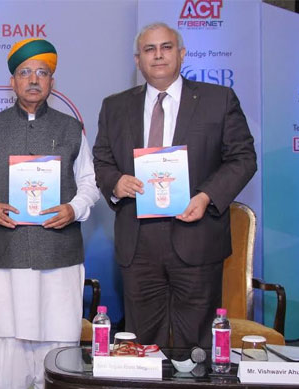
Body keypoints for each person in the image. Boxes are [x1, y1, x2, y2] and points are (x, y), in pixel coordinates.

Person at [93, 22, 257, 349]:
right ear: (138, 60)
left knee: (196, 350)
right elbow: (102, 159)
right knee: (141, 347)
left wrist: (207, 196)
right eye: (149, 50)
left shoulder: (218, 100)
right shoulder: (115, 106)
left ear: (181, 54)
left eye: (166, 47)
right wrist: (116, 182)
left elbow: (243, 158)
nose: (158, 55)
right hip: (138, 244)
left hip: (197, 236)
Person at [0, 38, 99, 389]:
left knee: (58, 354)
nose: (33, 79)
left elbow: (90, 183)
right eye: (25, 72)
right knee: (5, 357)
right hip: (3, 257)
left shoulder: (71, 128)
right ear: (12, 81)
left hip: (58, 259)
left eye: (42, 73)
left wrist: (73, 209)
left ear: (52, 82)